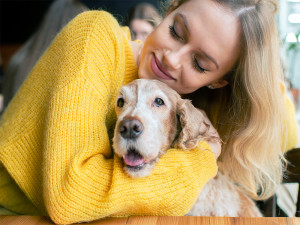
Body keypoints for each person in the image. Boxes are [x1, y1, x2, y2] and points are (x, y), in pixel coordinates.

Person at [0, 0, 298, 224]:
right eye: (176, 31)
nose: (171, 58)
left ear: (217, 81)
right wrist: (203, 160)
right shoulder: (94, 34)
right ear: (169, 10)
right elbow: (70, 195)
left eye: (199, 64)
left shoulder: (182, 114)